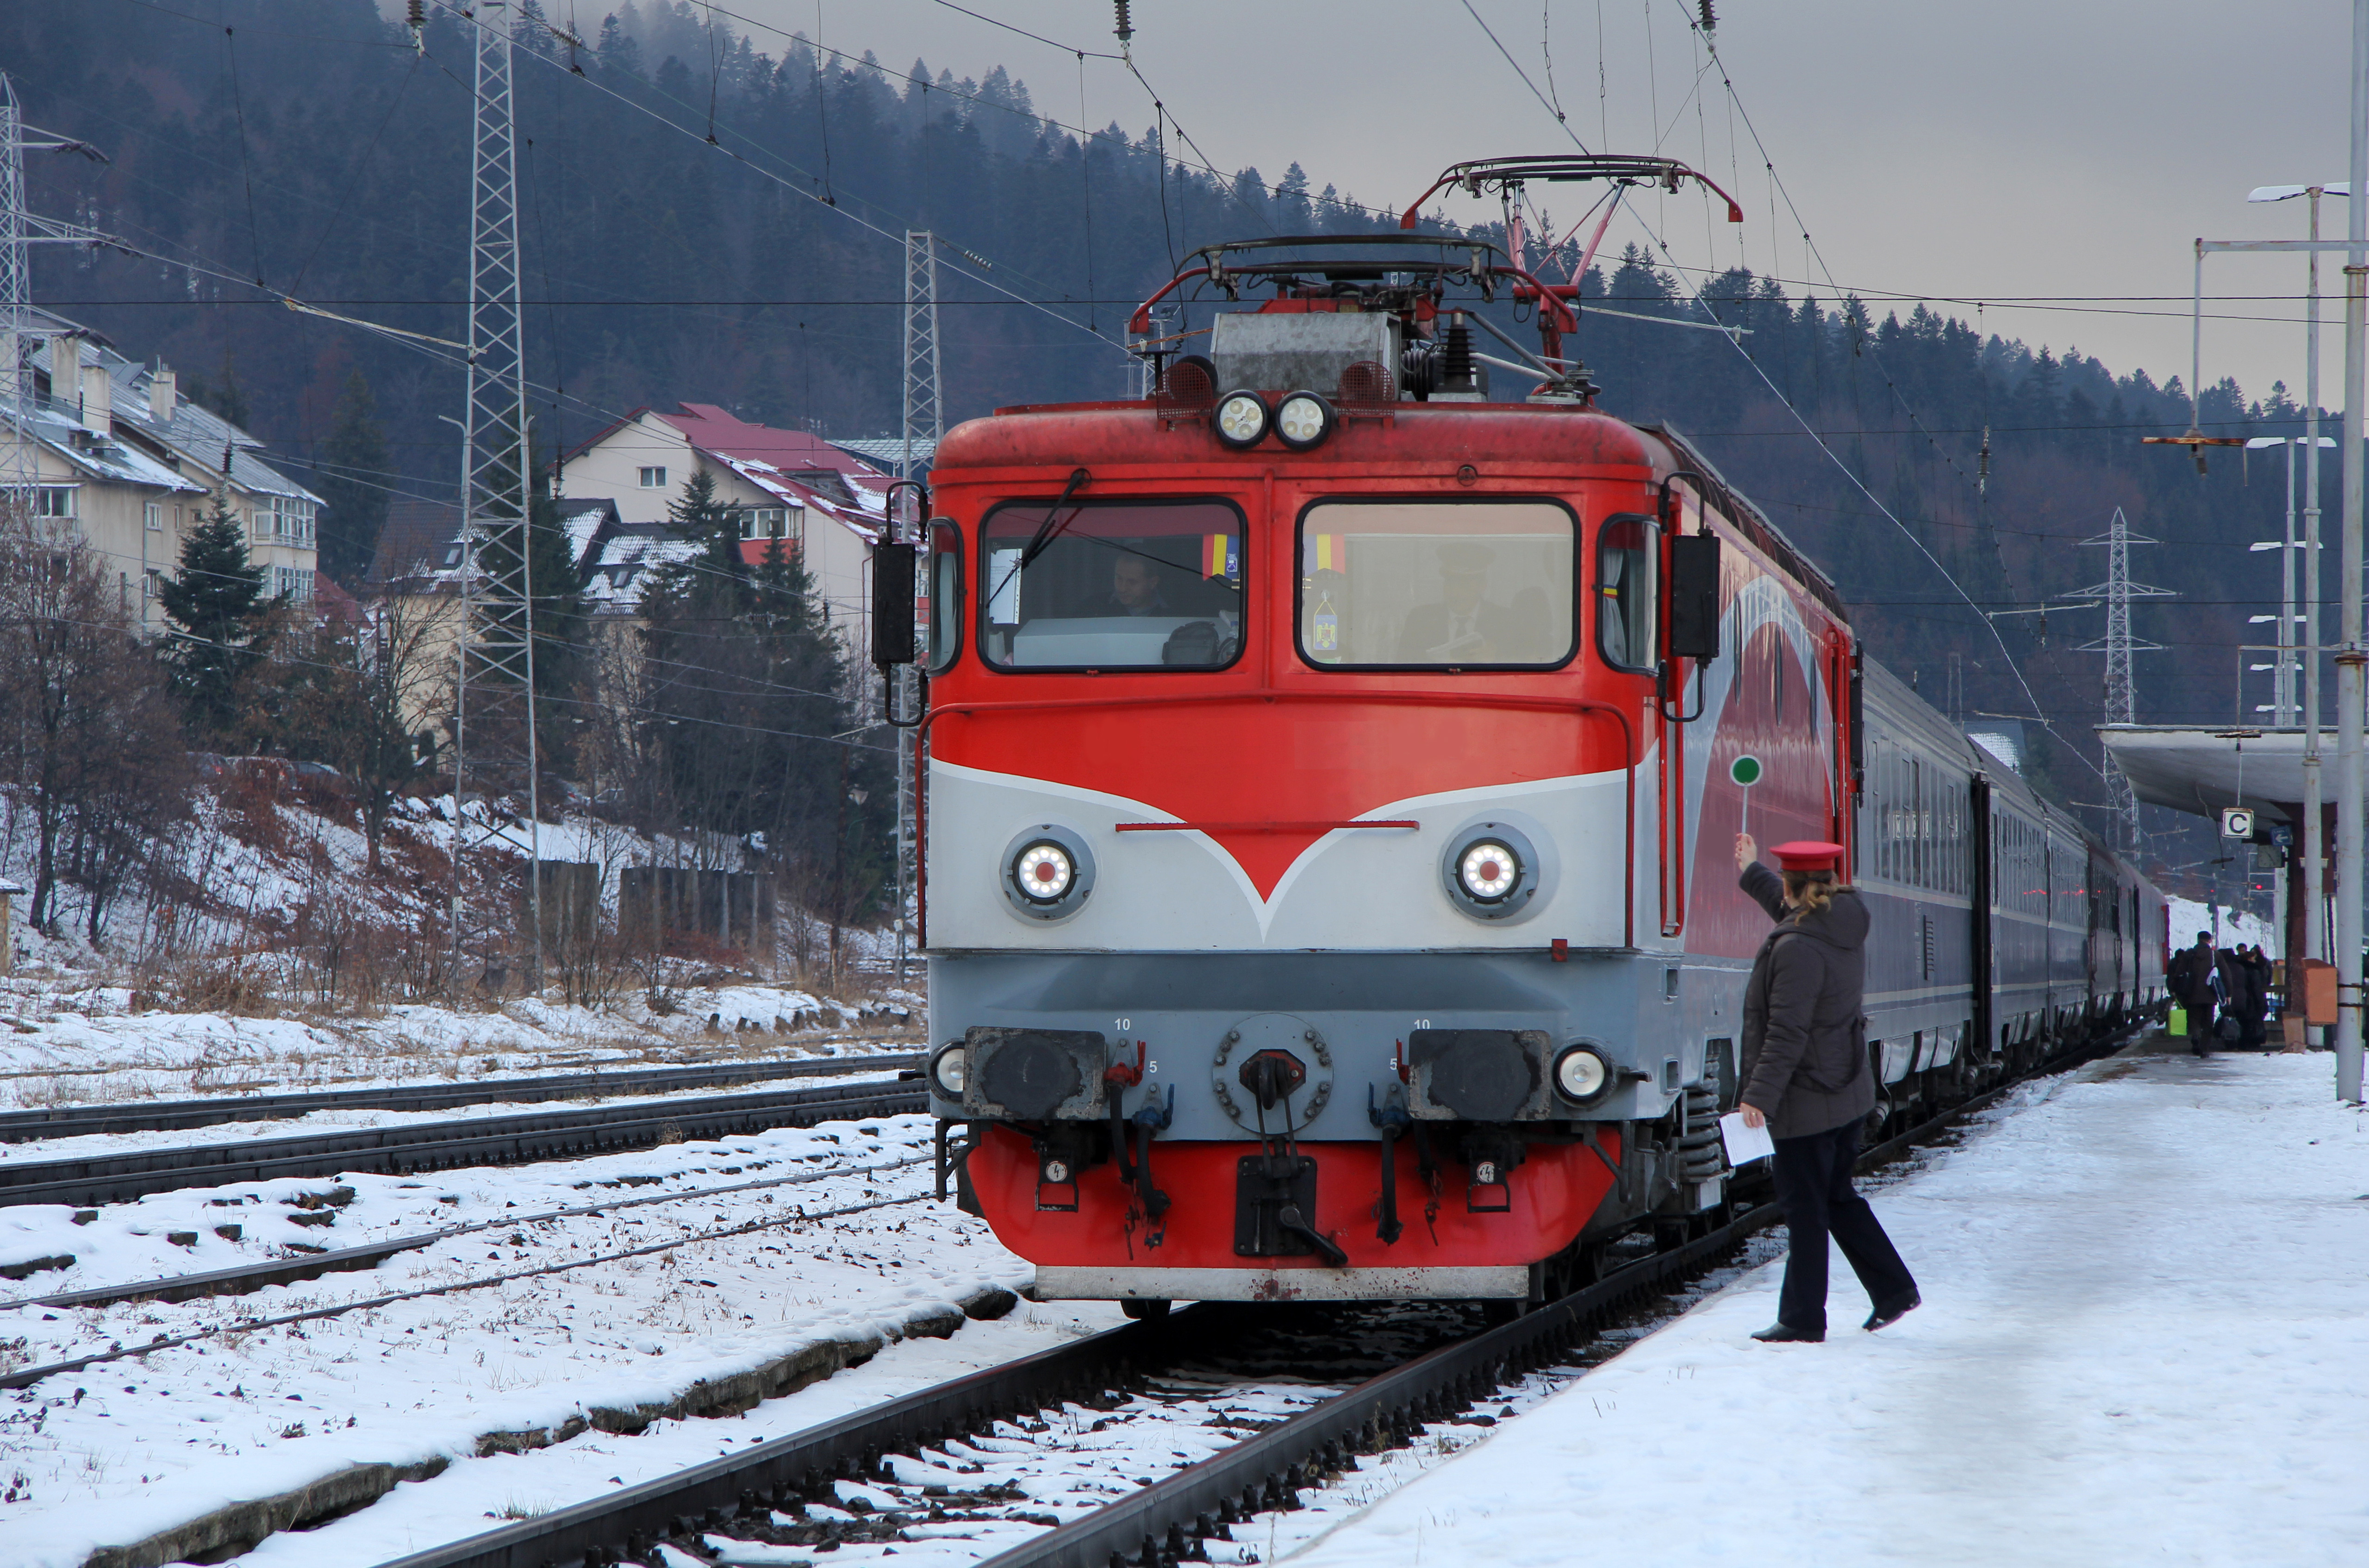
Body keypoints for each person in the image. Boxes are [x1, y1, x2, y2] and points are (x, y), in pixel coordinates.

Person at [1733, 833, 1920, 1344]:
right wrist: (1752, 870)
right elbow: (1791, 911)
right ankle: (1894, 1290)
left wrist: (1758, 1096)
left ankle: (1801, 1318)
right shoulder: (1840, 923)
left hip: (1807, 1096)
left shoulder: (1797, 947)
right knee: (1836, 1197)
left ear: (1793, 886)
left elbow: (1787, 1031)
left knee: (1805, 1209)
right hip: (1846, 1090)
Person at [1396, 542, 1516, 661]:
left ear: (1483, 585)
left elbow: (1521, 664)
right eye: (1450, 583)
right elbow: (1403, 664)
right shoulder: (1420, 620)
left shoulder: (1504, 621)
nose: (1456, 593)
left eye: (1464, 585)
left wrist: (1497, 658)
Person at [2167, 931, 2219, 1058]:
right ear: (2210, 940)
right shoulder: (2215, 955)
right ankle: (2205, 1049)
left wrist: (2173, 989)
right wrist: (2227, 993)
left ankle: (2196, 1036)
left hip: (2192, 994)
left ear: (2198, 940)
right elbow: (2225, 974)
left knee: (2194, 1019)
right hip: (2209, 995)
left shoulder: (2189, 955)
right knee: (2208, 1022)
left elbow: (2178, 973)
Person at [1104, 554, 1171, 616]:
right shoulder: (1096, 607)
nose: (1122, 589)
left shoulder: (1174, 614)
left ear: (1153, 583)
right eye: (1119, 579)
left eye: (1132, 582)